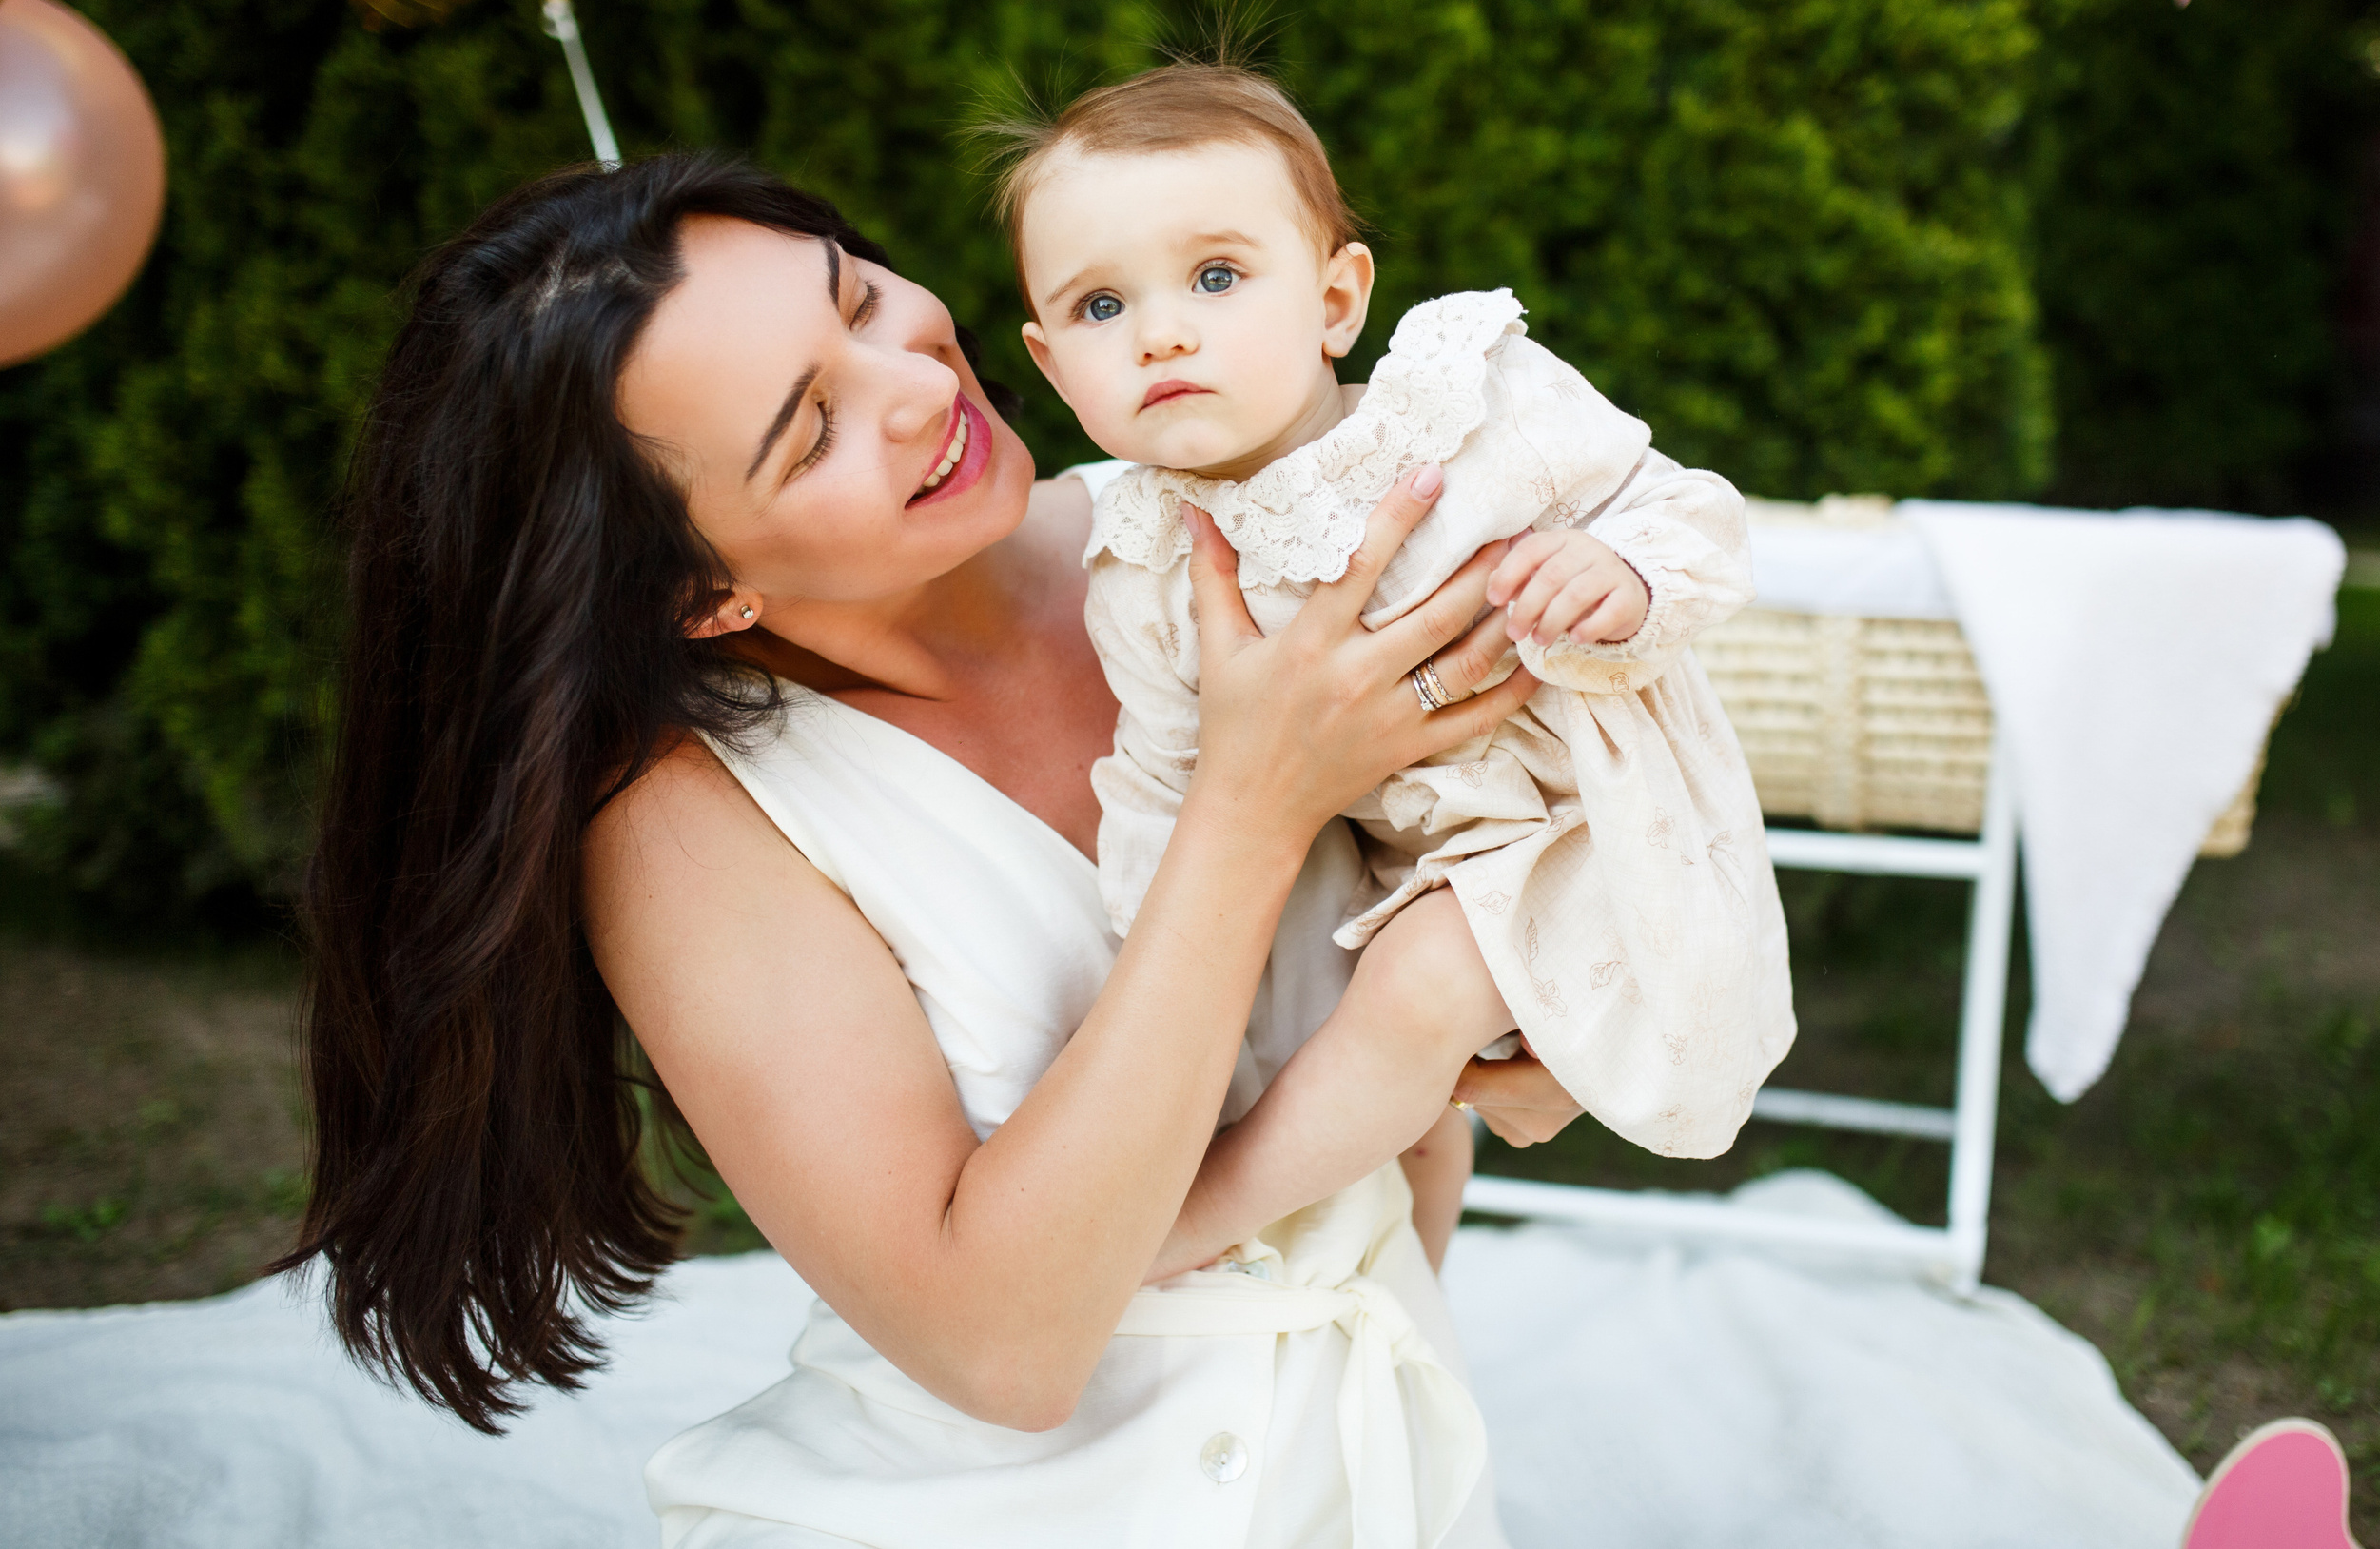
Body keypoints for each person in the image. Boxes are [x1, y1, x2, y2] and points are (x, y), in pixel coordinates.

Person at [278, 152, 1606, 1546]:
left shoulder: (1218, 520)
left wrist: (1505, 1038)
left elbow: (1458, 958)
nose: (916, 385)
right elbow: (1001, 1348)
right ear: (701, 591)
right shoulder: (690, 818)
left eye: (855, 298)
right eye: (813, 431)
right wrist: (1254, 806)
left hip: (1375, 1463)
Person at [996, 63, 1795, 1282]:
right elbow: (1162, 789)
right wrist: (1152, 993)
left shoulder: (1474, 416)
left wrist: (1615, 573)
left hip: (1593, 821)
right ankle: (1403, 1295)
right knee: (1378, 1069)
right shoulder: (1147, 563)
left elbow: (1690, 515)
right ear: (1054, 370)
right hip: (1405, 871)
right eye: (1102, 308)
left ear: (1334, 301)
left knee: (1414, 993)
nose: (1160, 330)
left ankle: (1187, 1226)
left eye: (1216, 277)